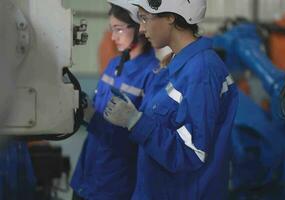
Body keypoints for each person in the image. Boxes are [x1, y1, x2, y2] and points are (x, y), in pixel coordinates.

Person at [103, 0, 239, 199]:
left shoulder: (201, 71)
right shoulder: (178, 65)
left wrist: (135, 121)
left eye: (144, 18)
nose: (141, 28)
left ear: (170, 17)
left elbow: (192, 152)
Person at [70, 0, 159, 199]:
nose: (112, 37)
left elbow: (141, 139)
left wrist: (95, 119)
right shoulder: (114, 65)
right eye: (111, 29)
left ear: (139, 28)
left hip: (114, 183)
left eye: (118, 29)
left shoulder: (152, 75)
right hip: (86, 175)